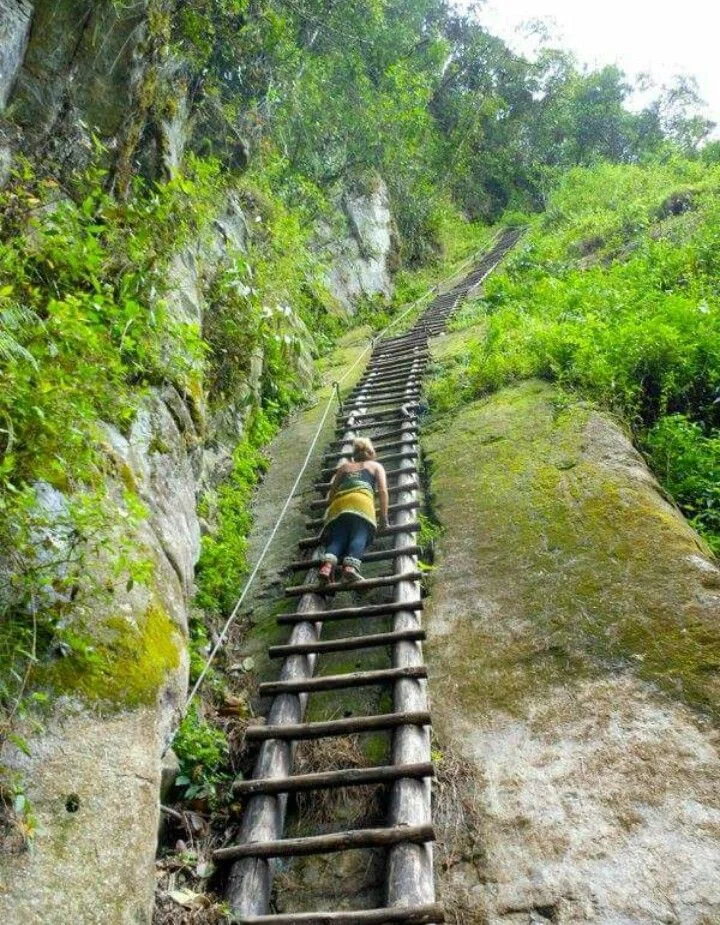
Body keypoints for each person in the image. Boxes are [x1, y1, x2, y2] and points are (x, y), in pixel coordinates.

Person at [317, 437, 389, 584]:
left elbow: (332, 492)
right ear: (370, 453)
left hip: (339, 505)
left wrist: (331, 513)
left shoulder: (344, 467)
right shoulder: (375, 466)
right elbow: (382, 491)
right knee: (360, 534)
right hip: (361, 503)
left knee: (337, 538)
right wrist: (384, 517)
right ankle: (350, 567)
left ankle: (327, 566)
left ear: (354, 455)